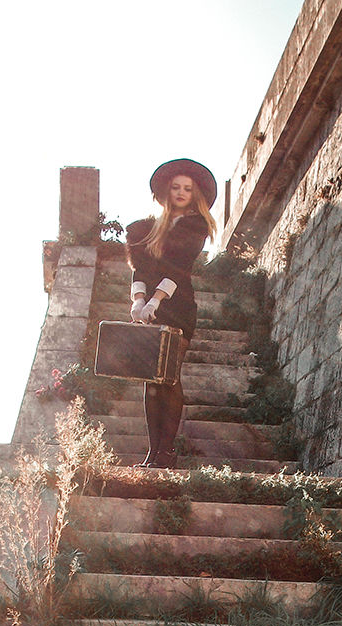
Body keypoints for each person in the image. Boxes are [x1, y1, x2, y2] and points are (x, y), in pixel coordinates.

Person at [126, 158, 218, 468]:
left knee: (168, 375)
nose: (181, 192)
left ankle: (167, 452)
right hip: (149, 308)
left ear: (195, 194)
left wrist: (156, 302)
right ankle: (153, 453)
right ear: (167, 190)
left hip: (177, 307)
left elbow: (179, 269)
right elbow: (140, 268)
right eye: (176, 187)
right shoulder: (145, 229)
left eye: (187, 189)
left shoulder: (196, 226)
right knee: (150, 381)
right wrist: (138, 302)